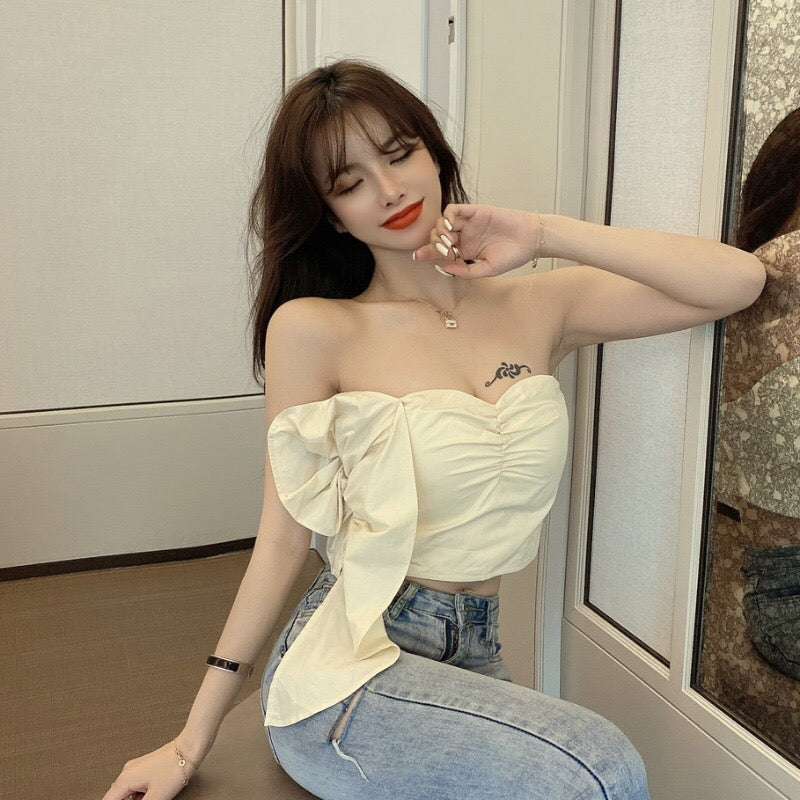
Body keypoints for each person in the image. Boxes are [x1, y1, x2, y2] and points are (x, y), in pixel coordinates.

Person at [104, 60, 765, 800]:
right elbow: (283, 541)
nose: (389, 189)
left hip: (474, 652)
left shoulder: (539, 307)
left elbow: (737, 282)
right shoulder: (316, 329)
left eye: (398, 154)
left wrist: (544, 232)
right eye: (350, 182)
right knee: (602, 765)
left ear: (434, 154)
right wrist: (189, 741)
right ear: (331, 215)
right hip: (351, 667)